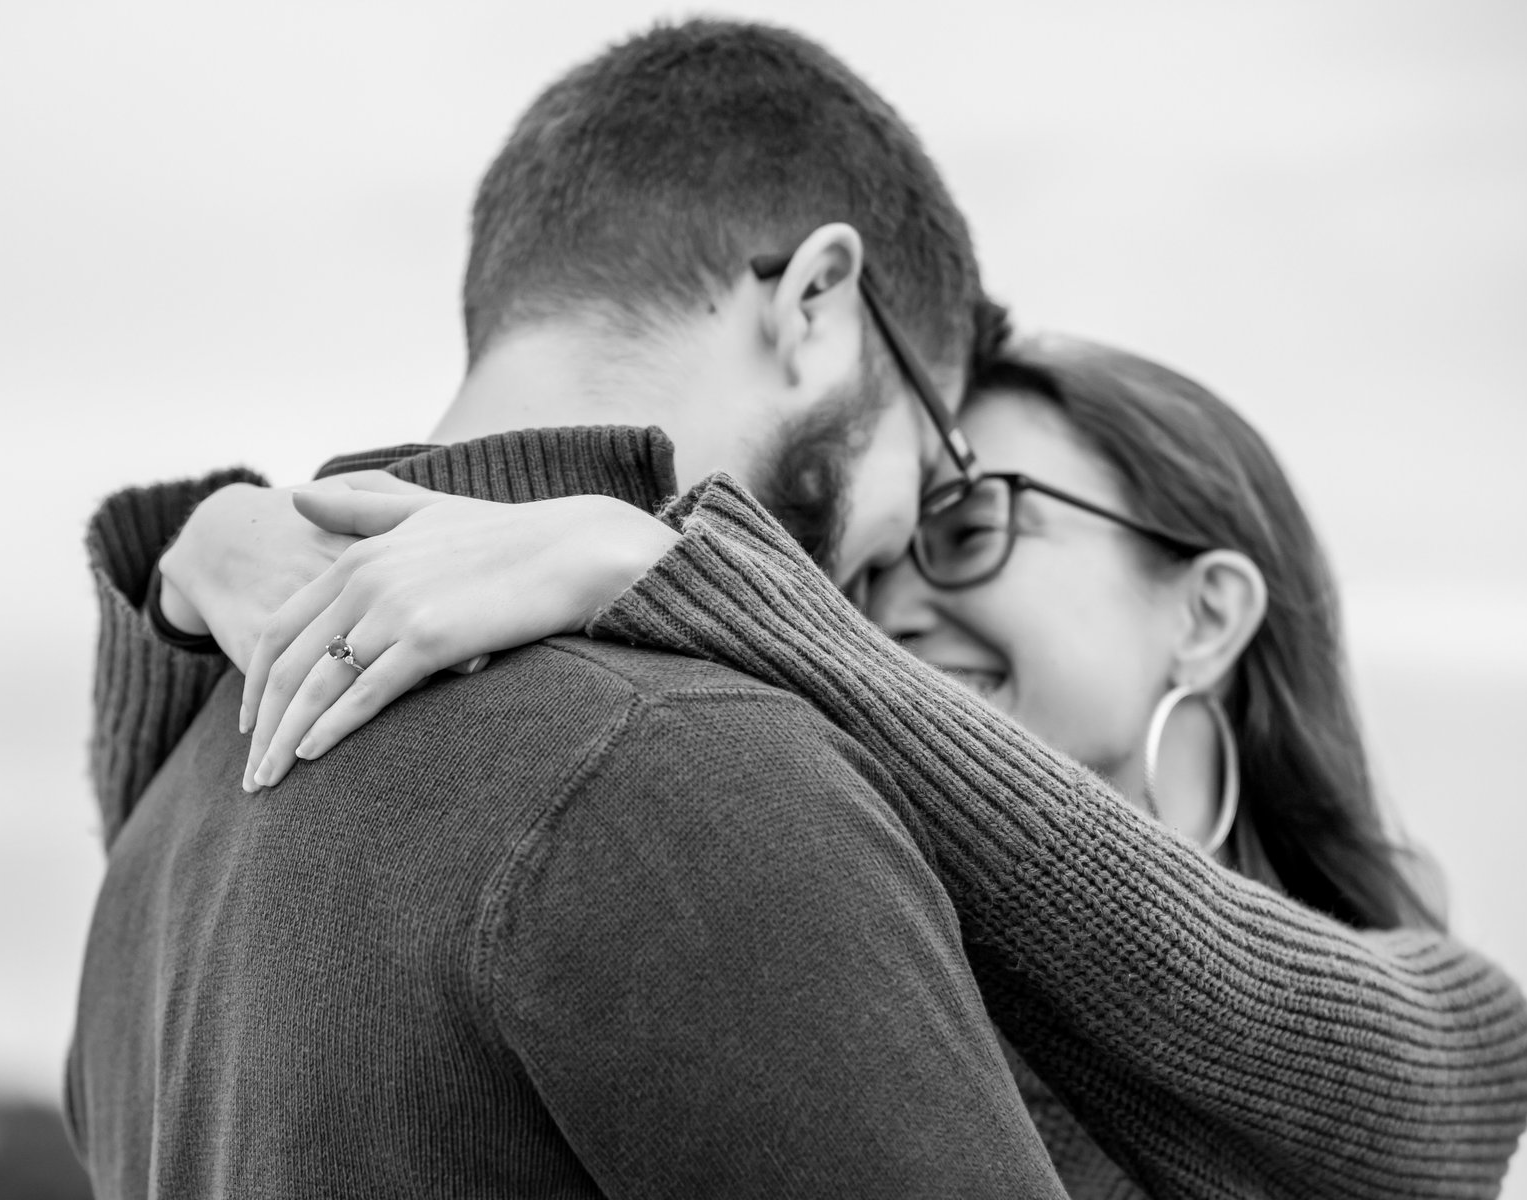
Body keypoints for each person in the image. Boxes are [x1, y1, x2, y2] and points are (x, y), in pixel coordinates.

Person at [127, 334, 1527, 1197]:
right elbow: (196, 895)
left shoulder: (1439, 1015)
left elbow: (1389, 1112)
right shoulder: (852, 928)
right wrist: (188, 558)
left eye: (971, 528)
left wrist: (678, 573)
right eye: (879, 555)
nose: (892, 601)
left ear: (1209, 612)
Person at [69, 20, 1070, 1199]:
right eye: (935, 460)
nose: (897, 571)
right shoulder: (692, 758)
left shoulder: (164, 831)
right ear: (815, 302)